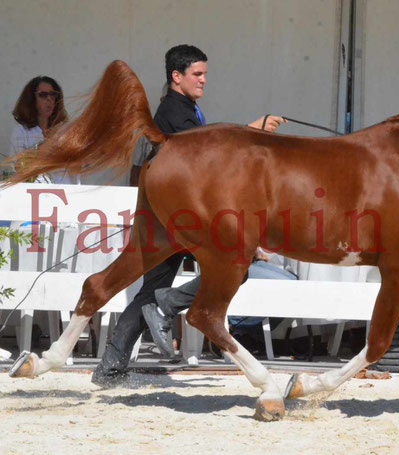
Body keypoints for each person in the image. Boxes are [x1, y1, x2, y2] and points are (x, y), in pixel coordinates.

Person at [92, 44, 290, 387]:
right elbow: (203, 157)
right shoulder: (173, 111)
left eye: (204, 74)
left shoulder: (185, 109)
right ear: (176, 76)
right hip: (181, 216)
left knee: (154, 288)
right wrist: (250, 129)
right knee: (233, 269)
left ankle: (111, 366)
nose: (203, 81)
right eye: (197, 74)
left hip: (175, 215)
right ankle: (164, 306)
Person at [5, 76, 74, 183]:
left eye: (53, 94)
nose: (49, 99)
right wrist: (51, 139)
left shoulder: (65, 129)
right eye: (43, 95)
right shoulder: (21, 131)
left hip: (66, 193)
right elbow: (19, 167)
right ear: (31, 100)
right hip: (34, 194)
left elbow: (82, 165)